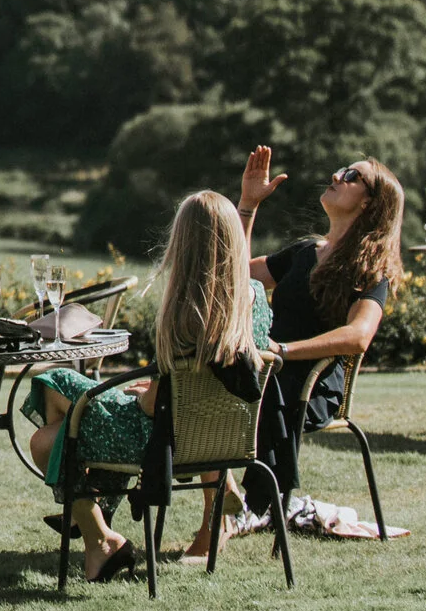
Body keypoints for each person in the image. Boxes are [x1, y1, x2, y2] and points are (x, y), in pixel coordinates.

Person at [24, 190, 272, 582]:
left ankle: (98, 534)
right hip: (222, 436)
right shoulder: (255, 297)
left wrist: (144, 393)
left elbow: (151, 408)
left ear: (183, 242)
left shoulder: (183, 307)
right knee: (62, 407)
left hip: (163, 439)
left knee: (49, 419)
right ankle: (96, 524)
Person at [223, 147, 404, 547]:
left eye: (351, 176)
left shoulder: (370, 271)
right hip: (267, 368)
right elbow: (233, 273)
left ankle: (254, 503)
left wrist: (283, 350)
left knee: (251, 384)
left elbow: (358, 336)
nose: (337, 176)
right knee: (200, 378)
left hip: (312, 386)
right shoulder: (306, 252)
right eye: (342, 170)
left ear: (370, 203)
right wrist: (249, 204)